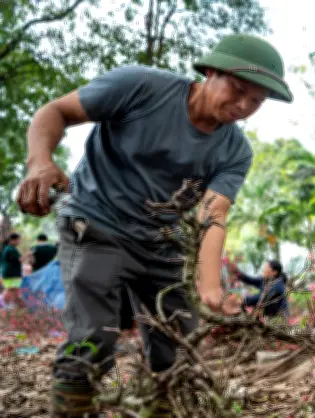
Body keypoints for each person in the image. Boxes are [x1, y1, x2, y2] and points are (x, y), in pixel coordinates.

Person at [14, 33, 293, 418]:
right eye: (238, 89)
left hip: (161, 242)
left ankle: (161, 408)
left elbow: (213, 213)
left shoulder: (234, 151)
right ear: (210, 71)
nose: (244, 106)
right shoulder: (141, 87)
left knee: (178, 347)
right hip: (95, 222)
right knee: (92, 339)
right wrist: (39, 163)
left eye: (257, 101)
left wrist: (210, 287)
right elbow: (55, 111)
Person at [1, 233, 24, 306]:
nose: (19, 242)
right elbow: (19, 260)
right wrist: (28, 255)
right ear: (12, 240)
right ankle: (5, 305)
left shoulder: (6, 248)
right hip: (13, 274)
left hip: (7, 273)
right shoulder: (11, 249)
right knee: (12, 290)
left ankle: (14, 306)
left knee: (12, 290)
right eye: (18, 240)